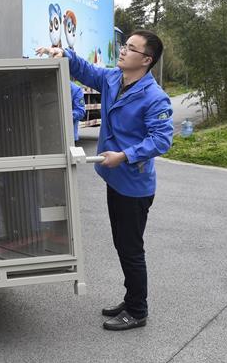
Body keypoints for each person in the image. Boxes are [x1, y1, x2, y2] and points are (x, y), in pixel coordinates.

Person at [37, 29, 172, 331]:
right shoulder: (114, 79)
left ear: (146, 60)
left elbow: (161, 140)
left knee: (131, 248)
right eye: (124, 46)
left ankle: (137, 310)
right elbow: (88, 71)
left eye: (131, 48)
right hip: (115, 179)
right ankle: (132, 297)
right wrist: (65, 54)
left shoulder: (154, 97)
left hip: (134, 186)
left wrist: (124, 155)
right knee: (122, 244)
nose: (123, 51)